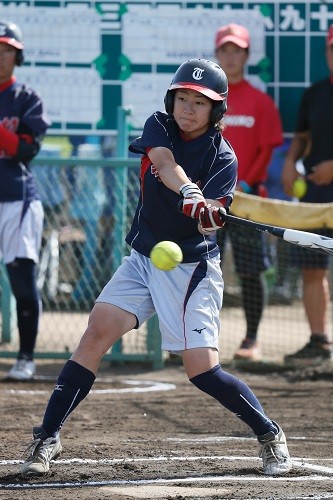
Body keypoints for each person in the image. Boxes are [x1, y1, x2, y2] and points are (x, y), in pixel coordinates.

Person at [20, 58, 292, 477]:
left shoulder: (224, 158)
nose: (187, 108)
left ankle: (269, 434)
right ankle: (47, 438)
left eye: (199, 103)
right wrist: (187, 189)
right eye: (182, 98)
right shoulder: (159, 126)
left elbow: (213, 212)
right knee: (95, 333)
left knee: (201, 370)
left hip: (190, 270)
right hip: (144, 258)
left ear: (216, 111)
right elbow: (163, 163)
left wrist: (209, 212)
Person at [214, 23, 283, 361]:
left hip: (247, 201)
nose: (231, 56)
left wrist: (242, 183)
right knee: (201, 269)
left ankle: (251, 339)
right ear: (216, 55)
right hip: (208, 202)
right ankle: (198, 340)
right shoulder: (206, 100)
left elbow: (267, 153)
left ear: (246, 56)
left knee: (251, 269)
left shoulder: (260, 101)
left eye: (237, 50)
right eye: (225, 50)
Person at [0, 21, 51, 380]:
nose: (0, 56)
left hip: (15, 200)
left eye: (6, 50)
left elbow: (26, 151)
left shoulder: (26, 98)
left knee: (21, 279)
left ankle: (26, 357)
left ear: (17, 56)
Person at [281, 25, 333, 366]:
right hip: (315, 196)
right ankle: (319, 342)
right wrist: (289, 163)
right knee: (313, 269)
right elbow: (301, 138)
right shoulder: (314, 93)